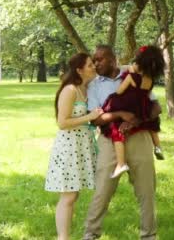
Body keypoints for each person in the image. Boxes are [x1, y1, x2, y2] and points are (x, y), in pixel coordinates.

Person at [83, 44, 161, 240]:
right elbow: (94, 119)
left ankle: (149, 235)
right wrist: (120, 115)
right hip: (109, 140)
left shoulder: (133, 73)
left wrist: (137, 120)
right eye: (94, 60)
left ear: (112, 59)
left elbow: (156, 106)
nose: (96, 63)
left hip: (140, 138)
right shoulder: (94, 86)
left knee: (146, 191)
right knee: (102, 190)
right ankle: (90, 234)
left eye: (100, 59)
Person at [45, 53, 103, 240]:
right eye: (89, 65)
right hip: (69, 147)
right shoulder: (70, 90)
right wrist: (90, 117)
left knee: (73, 195)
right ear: (79, 70)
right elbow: (62, 123)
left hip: (82, 146)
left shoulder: (86, 89)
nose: (93, 67)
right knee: (68, 196)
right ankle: (63, 238)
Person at [102, 45, 166, 178]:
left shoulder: (132, 76)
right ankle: (158, 147)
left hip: (129, 104)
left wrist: (129, 74)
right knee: (153, 126)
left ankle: (121, 163)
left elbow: (120, 91)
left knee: (116, 129)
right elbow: (148, 96)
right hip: (143, 106)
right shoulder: (150, 80)